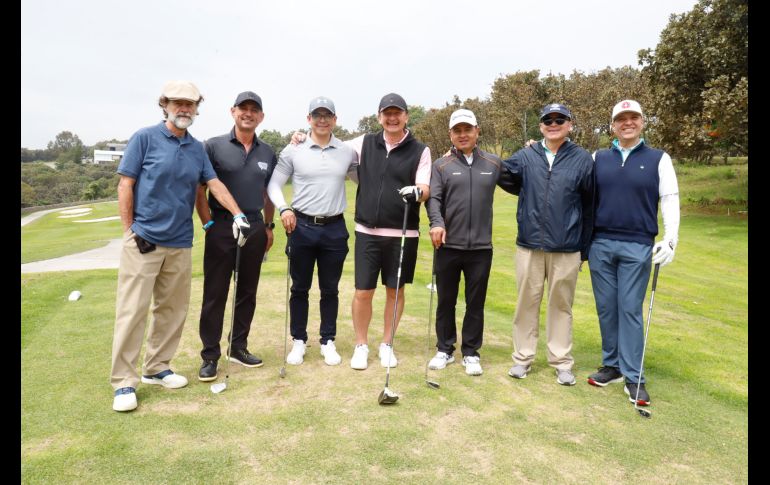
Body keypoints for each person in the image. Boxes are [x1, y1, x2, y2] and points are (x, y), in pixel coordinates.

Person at [111, 81, 254, 412]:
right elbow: (125, 185)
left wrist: (237, 214)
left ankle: (157, 367)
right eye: (178, 103)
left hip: (179, 242)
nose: (184, 109)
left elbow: (213, 184)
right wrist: (129, 231)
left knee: (172, 310)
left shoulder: (195, 148)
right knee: (132, 311)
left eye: (190, 104)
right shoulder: (144, 138)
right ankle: (123, 383)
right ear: (165, 104)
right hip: (144, 240)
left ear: (196, 108)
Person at [586, 99, 680, 406]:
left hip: (638, 244)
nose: (628, 122)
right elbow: (583, 197)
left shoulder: (658, 159)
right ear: (613, 125)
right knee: (606, 308)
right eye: (621, 118)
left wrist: (670, 239)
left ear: (642, 122)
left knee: (629, 309)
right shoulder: (598, 156)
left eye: (633, 117)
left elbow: (669, 199)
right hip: (600, 243)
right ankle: (611, 365)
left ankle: (634, 376)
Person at [502, 103, 594, 386]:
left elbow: (590, 205)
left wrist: (584, 248)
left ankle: (562, 362)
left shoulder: (582, 159)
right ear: (541, 126)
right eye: (548, 120)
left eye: (559, 120)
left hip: (566, 248)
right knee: (526, 304)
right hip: (529, 245)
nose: (553, 124)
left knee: (561, 306)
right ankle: (522, 358)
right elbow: (503, 175)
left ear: (569, 124)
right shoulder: (527, 155)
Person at [425, 109, 518, 376]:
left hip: (480, 248)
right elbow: (435, 200)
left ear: (477, 131)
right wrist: (436, 223)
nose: (463, 135)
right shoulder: (441, 166)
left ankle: (471, 352)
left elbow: (520, 184)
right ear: (451, 135)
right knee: (446, 300)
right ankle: (444, 349)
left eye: (467, 129)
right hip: (447, 246)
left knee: (475, 302)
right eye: (457, 130)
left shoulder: (493, 163)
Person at [266, 96, 358, 366]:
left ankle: (328, 340)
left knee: (330, 289)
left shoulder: (346, 150)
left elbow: (364, 177)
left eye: (327, 114)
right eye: (316, 115)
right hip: (301, 226)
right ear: (308, 119)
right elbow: (274, 185)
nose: (322, 119)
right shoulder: (293, 149)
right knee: (300, 288)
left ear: (334, 119)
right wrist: (284, 208)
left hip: (334, 227)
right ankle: (298, 340)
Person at [195, 91, 277, 382]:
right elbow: (200, 190)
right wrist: (207, 224)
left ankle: (238, 346)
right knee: (215, 292)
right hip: (222, 227)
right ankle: (210, 355)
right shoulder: (213, 146)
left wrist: (269, 226)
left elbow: (268, 192)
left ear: (261, 117)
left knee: (247, 291)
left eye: (255, 110)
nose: (249, 113)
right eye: (244, 109)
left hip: (255, 227)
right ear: (233, 112)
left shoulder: (267, 152)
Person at [348, 93, 431, 370]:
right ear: (379, 116)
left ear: (406, 116)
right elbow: (332, 146)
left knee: (395, 291)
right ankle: (361, 345)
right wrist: (303, 137)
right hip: (367, 232)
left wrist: (417, 192)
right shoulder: (364, 143)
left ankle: (387, 344)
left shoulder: (420, 150)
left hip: (403, 234)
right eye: (387, 113)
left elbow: (425, 188)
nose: (392, 118)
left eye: (397, 113)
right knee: (363, 291)